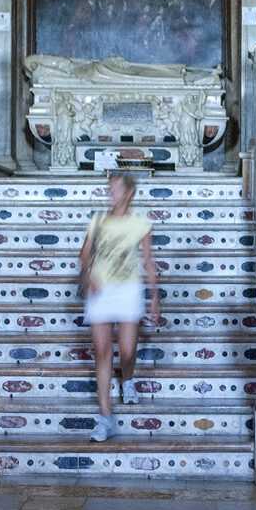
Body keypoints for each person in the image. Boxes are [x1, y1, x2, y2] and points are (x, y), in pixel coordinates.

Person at [79, 172, 161, 442]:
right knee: (103, 353)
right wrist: (88, 275)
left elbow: (148, 260)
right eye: (108, 188)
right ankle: (106, 417)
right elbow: (84, 253)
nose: (109, 193)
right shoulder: (98, 220)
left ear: (128, 192)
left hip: (128, 289)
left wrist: (155, 296)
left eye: (114, 188)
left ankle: (127, 378)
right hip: (100, 290)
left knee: (127, 351)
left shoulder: (141, 223)